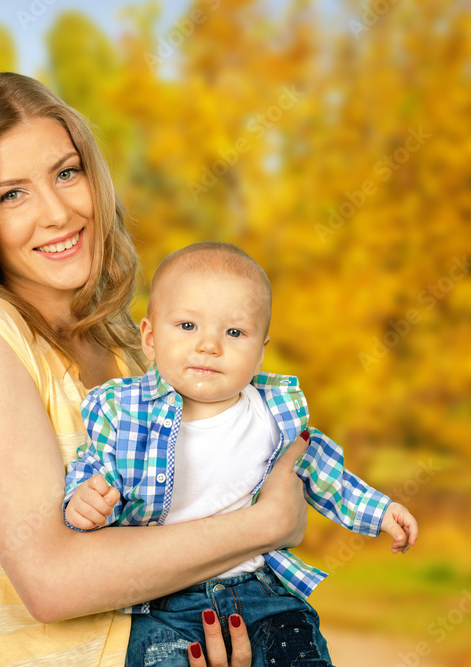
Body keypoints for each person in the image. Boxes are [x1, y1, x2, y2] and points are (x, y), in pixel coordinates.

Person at [0, 72, 312, 667]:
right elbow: (53, 582)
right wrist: (268, 523)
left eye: (66, 173)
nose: (57, 212)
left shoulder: (124, 345)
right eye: (11, 194)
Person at [63, 241, 419, 665]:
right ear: (151, 338)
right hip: (160, 604)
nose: (209, 345)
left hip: (260, 592)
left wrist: (380, 511)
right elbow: (94, 468)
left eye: (234, 333)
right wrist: (82, 500)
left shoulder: (273, 414)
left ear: (260, 353)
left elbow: (325, 473)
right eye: (188, 326)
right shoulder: (124, 410)